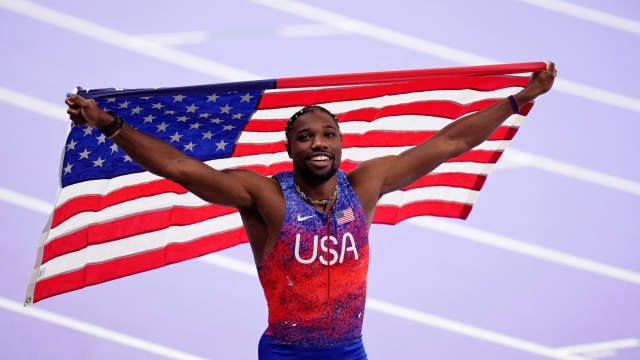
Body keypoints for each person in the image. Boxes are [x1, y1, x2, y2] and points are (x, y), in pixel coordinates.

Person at [65, 63, 556, 359]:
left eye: (328, 135)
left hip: (349, 353)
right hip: (285, 356)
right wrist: (111, 125)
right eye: (306, 136)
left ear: (340, 144)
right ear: (290, 147)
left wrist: (517, 99)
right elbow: (183, 169)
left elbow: (449, 141)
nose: (318, 143)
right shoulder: (264, 197)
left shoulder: (366, 184)